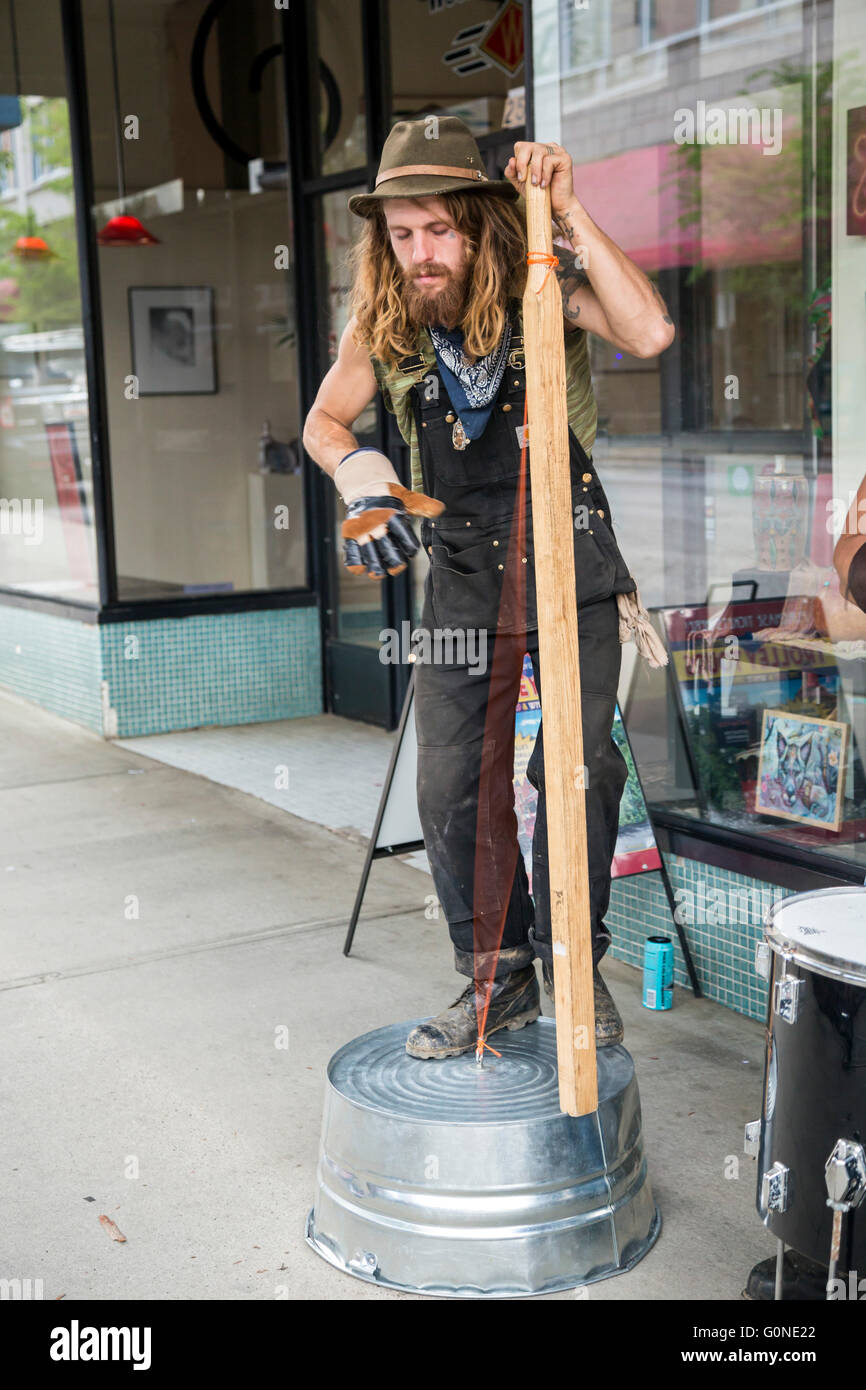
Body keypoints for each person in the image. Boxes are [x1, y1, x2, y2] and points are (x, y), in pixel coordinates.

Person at [303, 116, 673, 1060]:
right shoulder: (383, 326)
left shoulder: (546, 284)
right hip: (464, 583)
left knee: (576, 773)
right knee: (452, 783)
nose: (419, 253)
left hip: (572, 571)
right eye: (401, 234)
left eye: (437, 230)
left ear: (478, 223)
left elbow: (652, 330)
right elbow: (323, 423)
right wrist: (363, 476)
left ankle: (572, 966)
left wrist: (571, 209)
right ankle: (495, 979)